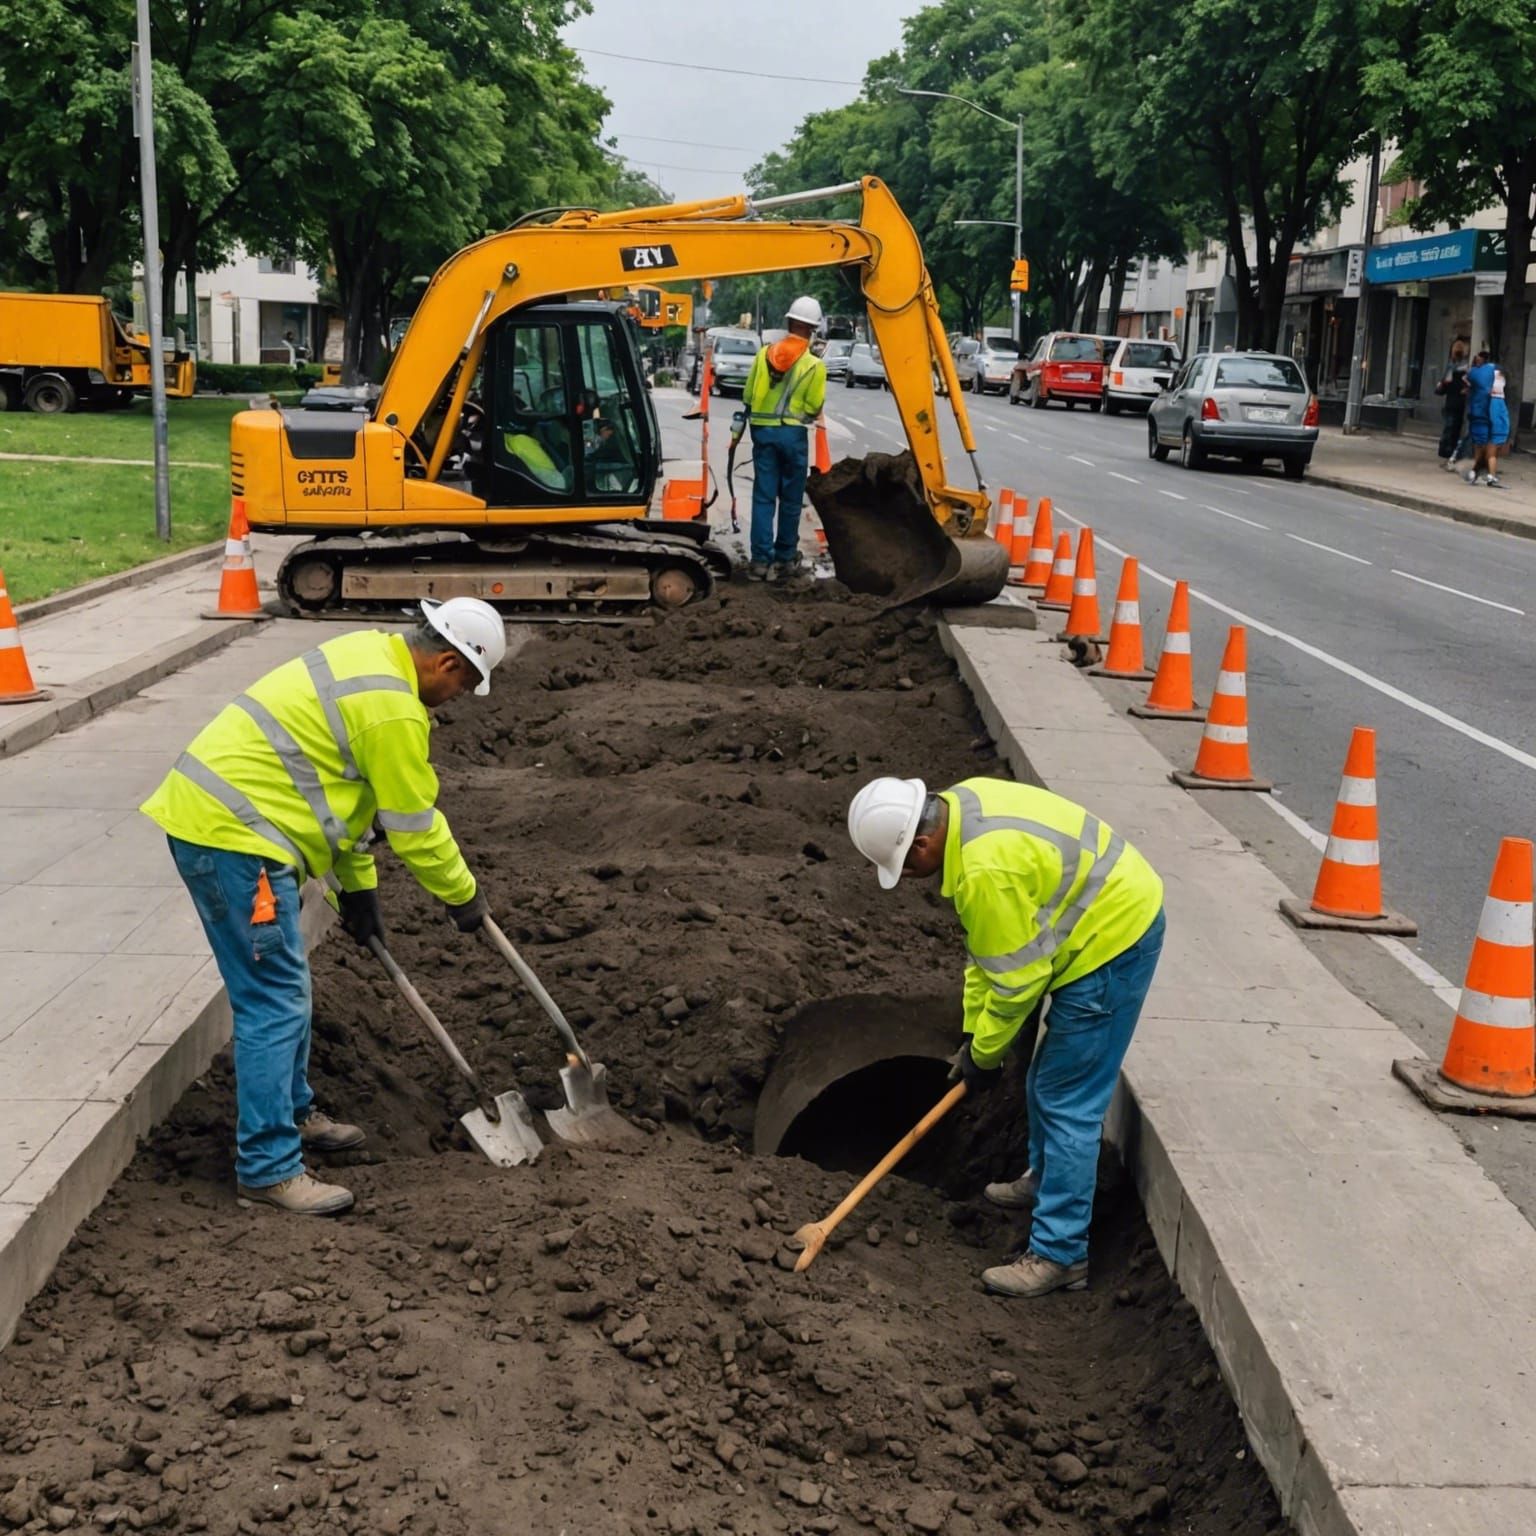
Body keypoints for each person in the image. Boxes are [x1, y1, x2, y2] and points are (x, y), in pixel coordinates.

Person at [140, 599, 508, 1216]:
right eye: (465, 683)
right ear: (445, 660)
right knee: (273, 998)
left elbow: (344, 799)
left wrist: (357, 889)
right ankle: (267, 1170)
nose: (459, 696)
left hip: (237, 828)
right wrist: (462, 896)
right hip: (233, 838)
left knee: (285, 988)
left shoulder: (371, 656)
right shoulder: (391, 709)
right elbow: (415, 827)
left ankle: (292, 1113)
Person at [847, 775, 1165, 1299]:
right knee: (1048, 1081)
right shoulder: (962, 807)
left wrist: (986, 1057)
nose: (907, 878)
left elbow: (1018, 983)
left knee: (1066, 1099)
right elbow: (986, 956)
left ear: (922, 843)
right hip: (1101, 912)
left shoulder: (982, 871)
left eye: (904, 866)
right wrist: (975, 1035)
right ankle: (1048, 1178)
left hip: (1113, 940)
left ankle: (1061, 1255)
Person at [742, 296, 828, 581]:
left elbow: (747, 396)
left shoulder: (763, 354)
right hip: (793, 435)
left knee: (764, 497)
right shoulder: (815, 366)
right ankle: (784, 560)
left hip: (762, 432)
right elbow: (815, 407)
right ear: (812, 329)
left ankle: (759, 562)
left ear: (789, 322)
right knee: (791, 500)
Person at [1463, 350, 1501, 487]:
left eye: (1477, 358)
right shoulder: (1496, 371)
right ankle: (1485, 472)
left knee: (1480, 445)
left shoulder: (1476, 372)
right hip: (1493, 413)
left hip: (1479, 414)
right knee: (1488, 445)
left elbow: (1467, 377)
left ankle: (1476, 471)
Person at [1436, 338, 1470, 470]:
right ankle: (1454, 457)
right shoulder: (1467, 369)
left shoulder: (1451, 367)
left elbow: (1442, 387)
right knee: (1457, 432)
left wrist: (1442, 384)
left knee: (1450, 431)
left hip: (1452, 403)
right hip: (1461, 403)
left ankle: (1449, 457)